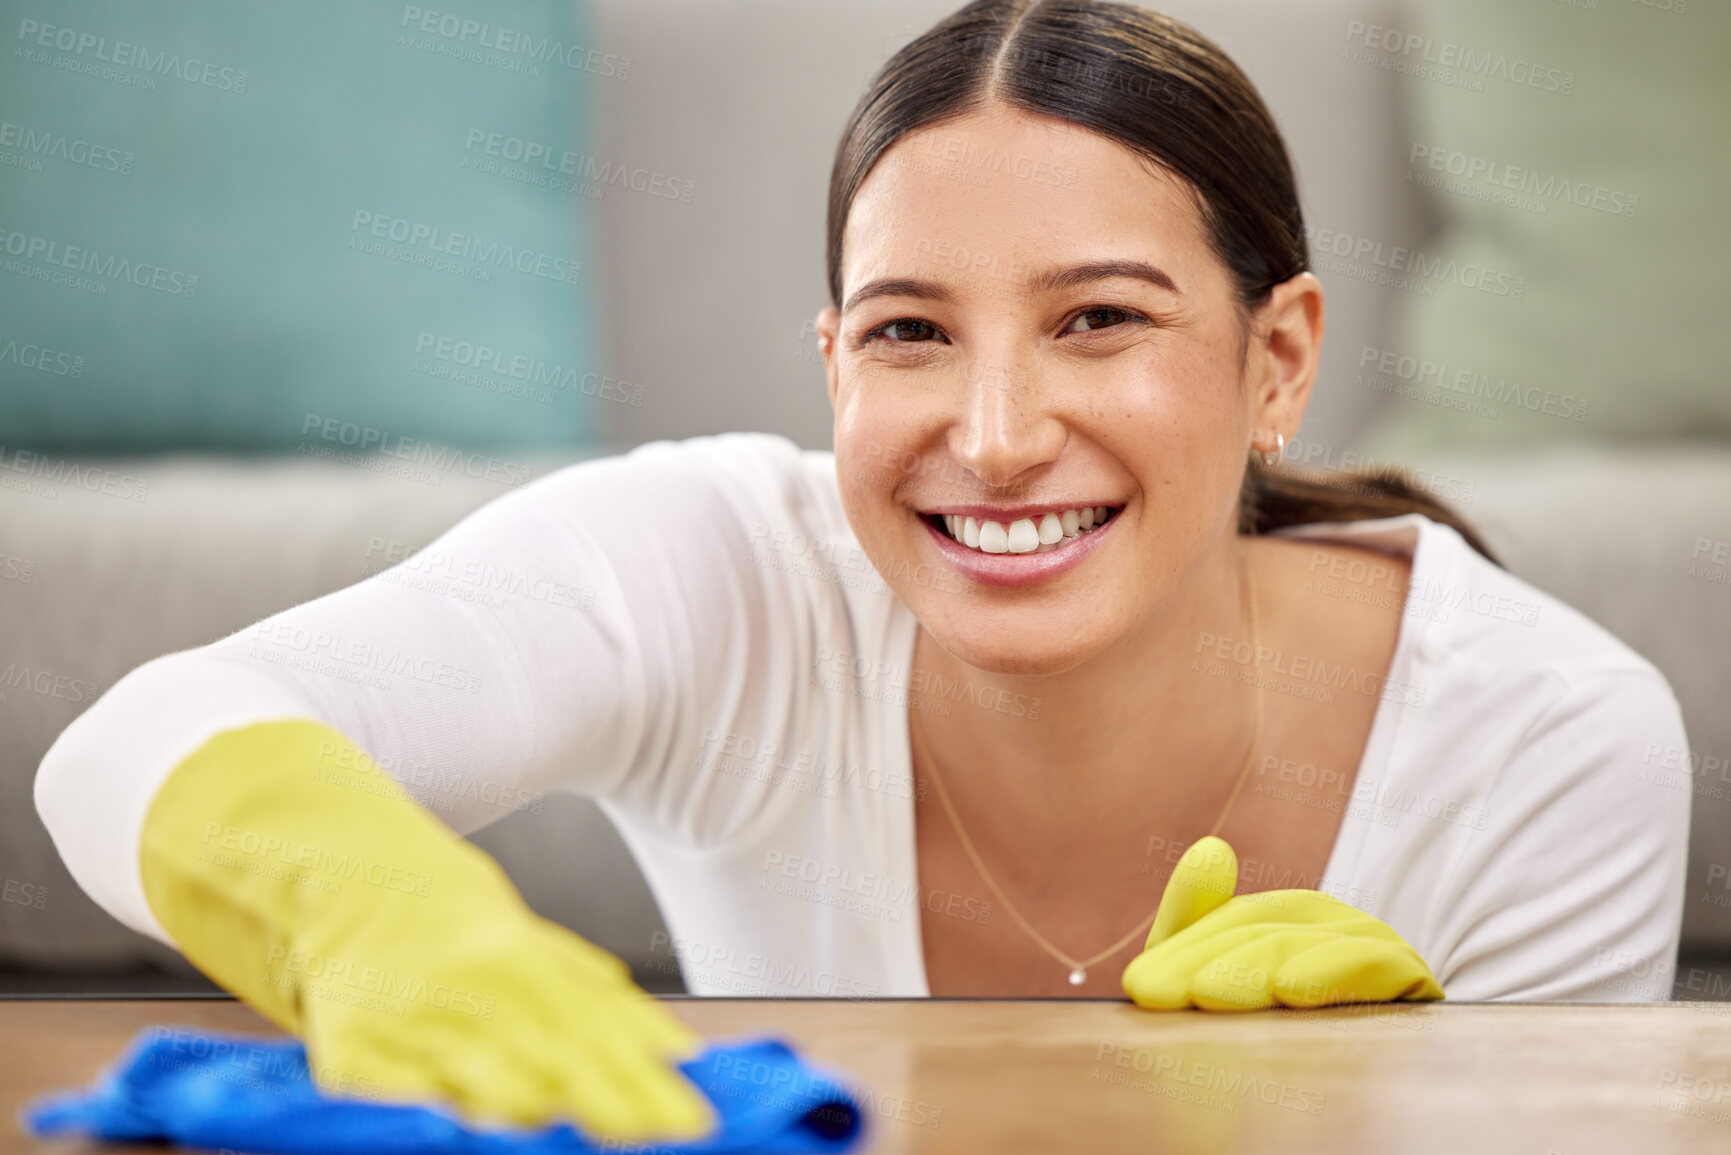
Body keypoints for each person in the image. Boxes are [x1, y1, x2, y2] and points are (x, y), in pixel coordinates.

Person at [34, 0, 1689, 1145]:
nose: (994, 436)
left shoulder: (1545, 743)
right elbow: (133, 740)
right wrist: (368, 919)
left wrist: (1381, 1120)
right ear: (833, 369)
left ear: (1279, 359)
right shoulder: (720, 571)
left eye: (1098, 321)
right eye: (910, 334)